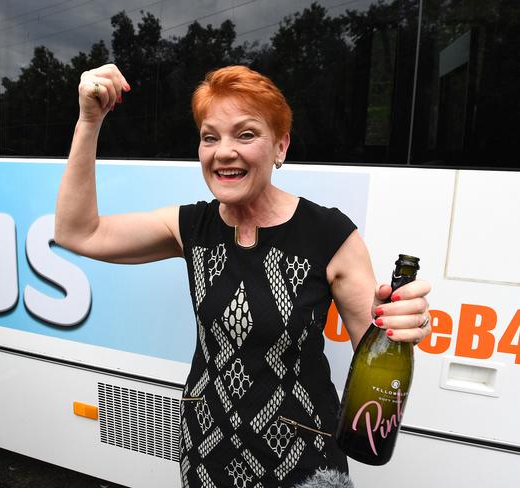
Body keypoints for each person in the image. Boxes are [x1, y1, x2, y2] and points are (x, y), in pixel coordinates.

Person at [54, 64, 431, 488]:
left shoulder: (331, 234)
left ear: (280, 146)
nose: (224, 151)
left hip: (302, 462)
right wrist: (90, 122)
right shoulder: (190, 226)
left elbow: (374, 351)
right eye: (210, 136)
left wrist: (399, 325)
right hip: (208, 451)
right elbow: (77, 232)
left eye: (246, 134)